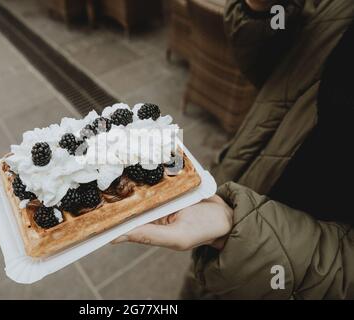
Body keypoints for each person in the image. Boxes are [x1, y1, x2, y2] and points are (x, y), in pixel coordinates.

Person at [113, 0, 354, 299]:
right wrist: (262, 11)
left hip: (284, 273)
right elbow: (272, 69)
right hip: (236, 189)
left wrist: (242, 232)